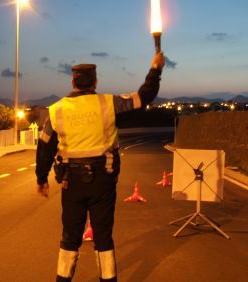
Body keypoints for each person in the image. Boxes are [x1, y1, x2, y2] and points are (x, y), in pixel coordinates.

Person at [35, 52, 165, 282]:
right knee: (103, 237)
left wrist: (41, 178)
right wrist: (155, 69)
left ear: (72, 82)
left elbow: (45, 147)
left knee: (70, 237)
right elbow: (144, 96)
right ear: (95, 82)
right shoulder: (109, 103)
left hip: (70, 182)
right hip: (103, 181)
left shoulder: (56, 110)